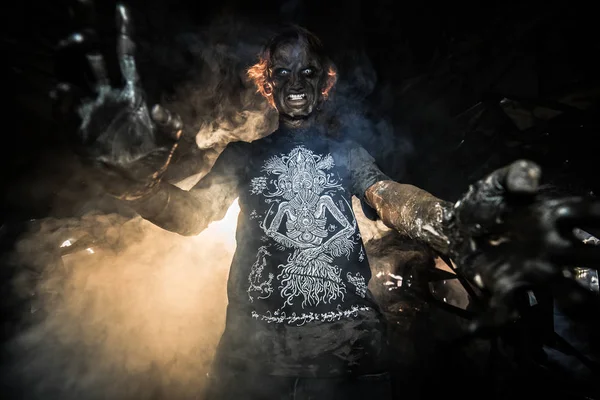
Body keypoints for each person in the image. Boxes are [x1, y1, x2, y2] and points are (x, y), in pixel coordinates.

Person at [54, 4, 599, 399]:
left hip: (353, 363)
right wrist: (134, 183)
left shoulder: (347, 153)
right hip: (251, 367)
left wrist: (453, 225)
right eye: (282, 73)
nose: (295, 83)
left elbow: (389, 196)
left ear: (326, 82)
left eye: (307, 72)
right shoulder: (242, 157)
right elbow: (191, 218)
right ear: (264, 83)